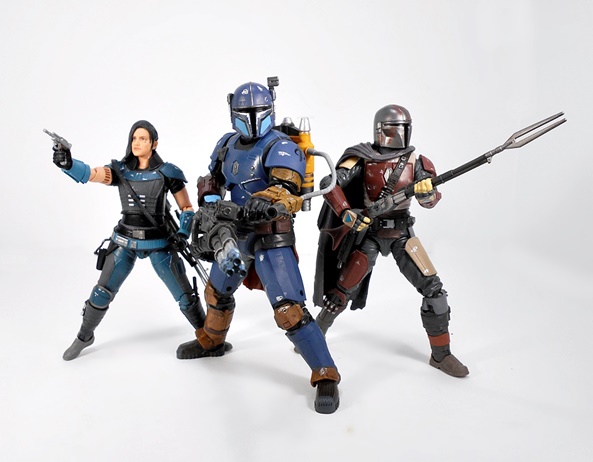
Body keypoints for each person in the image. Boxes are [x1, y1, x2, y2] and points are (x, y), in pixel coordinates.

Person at [176, 80, 341, 413]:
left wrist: (266, 199)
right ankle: (212, 340)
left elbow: (286, 187)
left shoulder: (281, 146)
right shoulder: (226, 144)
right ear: (232, 112)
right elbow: (213, 179)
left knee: (289, 310)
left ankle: (325, 373)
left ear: (271, 110)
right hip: (233, 232)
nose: (252, 119)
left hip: (270, 235)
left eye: (259, 112)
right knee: (216, 292)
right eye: (245, 112)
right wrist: (210, 203)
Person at [313, 104, 469, 378]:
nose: (400, 135)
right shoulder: (361, 157)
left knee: (433, 290)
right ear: (381, 130)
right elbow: (330, 182)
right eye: (395, 129)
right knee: (341, 291)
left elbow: (430, 201)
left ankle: (441, 354)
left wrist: (427, 194)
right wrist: (346, 213)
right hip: (369, 233)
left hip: (402, 235)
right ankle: (314, 337)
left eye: (404, 129)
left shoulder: (417, 162)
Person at [53, 120, 207, 361]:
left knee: (185, 295)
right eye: (134, 138)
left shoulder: (168, 172)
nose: (137, 143)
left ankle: (208, 337)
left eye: (143, 139)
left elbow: (187, 207)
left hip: (159, 244)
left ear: (154, 143)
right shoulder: (120, 170)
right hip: (125, 242)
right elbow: (92, 174)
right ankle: (84, 336)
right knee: (101, 292)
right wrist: (69, 164)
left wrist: (182, 233)